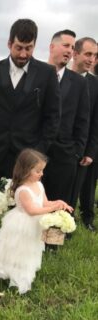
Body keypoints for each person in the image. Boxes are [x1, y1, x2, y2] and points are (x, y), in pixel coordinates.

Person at [0, 19, 61, 182]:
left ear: (34, 45)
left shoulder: (47, 74)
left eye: (28, 48)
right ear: (9, 44)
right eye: (19, 48)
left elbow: (53, 117)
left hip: (28, 159)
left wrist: (38, 153)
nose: (23, 54)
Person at [0, 149, 73, 294]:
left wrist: (58, 202)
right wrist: (53, 208)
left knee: (31, 249)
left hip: (34, 225)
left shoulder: (39, 185)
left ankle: (25, 270)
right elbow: (32, 210)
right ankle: (10, 272)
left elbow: (44, 203)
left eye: (42, 170)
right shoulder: (23, 190)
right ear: (26, 170)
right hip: (22, 224)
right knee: (18, 249)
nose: (42, 174)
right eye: (38, 171)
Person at [43, 30, 89, 206]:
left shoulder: (79, 82)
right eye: (66, 45)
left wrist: (75, 152)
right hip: (35, 154)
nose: (70, 50)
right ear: (52, 46)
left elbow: (83, 120)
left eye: (72, 47)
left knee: (59, 208)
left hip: (64, 157)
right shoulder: (36, 74)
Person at [70, 37, 98, 232]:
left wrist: (91, 150)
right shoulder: (58, 76)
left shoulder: (95, 84)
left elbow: (96, 120)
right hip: (61, 144)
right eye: (88, 54)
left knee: (87, 184)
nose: (92, 59)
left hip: (86, 144)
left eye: (95, 56)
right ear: (75, 53)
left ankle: (87, 218)